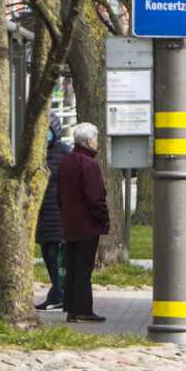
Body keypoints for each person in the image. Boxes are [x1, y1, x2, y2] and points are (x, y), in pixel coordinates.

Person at [57, 121, 109, 323]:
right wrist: (104, 219)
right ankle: (83, 310)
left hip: (70, 224)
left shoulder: (66, 162)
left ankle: (70, 308)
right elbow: (96, 197)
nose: (97, 142)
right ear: (89, 141)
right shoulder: (89, 164)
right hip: (87, 225)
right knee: (84, 268)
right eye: (96, 139)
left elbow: (59, 196)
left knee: (72, 266)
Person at [34, 113, 70, 311]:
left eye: (49, 131)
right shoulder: (36, 153)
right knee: (47, 253)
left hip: (58, 212)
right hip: (42, 214)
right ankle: (56, 292)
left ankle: (59, 292)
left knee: (55, 254)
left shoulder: (65, 152)